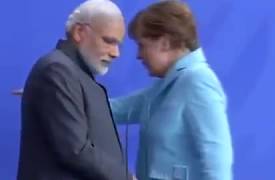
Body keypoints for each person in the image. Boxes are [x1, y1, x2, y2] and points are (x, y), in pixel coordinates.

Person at [110, 1, 233, 180]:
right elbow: (113, 110)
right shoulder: (165, 87)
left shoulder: (198, 81)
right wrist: (68, 96)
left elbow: (217, 158)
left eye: (142, 45)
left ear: (165, 43)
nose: (138, 55)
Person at [17, 0, 135, 179]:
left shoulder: (72, 73)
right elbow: (75, 150)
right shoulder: (57, 70)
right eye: (109, 41)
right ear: (79, 32)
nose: (116, 53)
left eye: (118, 44)